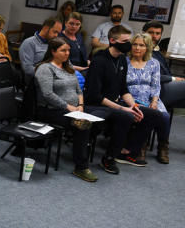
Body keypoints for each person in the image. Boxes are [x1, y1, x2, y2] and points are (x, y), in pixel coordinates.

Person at [84, 25, 163, 174]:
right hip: (97, 105)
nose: (130, 44)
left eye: (129, 40)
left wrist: (134, 106)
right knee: (126, 116)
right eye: (126, 41)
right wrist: (124, 109)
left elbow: (123, 89)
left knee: (155, 115)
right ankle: (108, 158)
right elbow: (95, 96)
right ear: (112, 41)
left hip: (114, 102)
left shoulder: (121, 59)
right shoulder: (99, 60)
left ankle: (126, 151)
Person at [33, 38, 97, 182]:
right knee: (83, 125)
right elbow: (47, 94)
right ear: (53, 51)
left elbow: (79, 90)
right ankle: (81, 167)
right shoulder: (45, 68)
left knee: (96, 118)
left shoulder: (68, 67)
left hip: (74, 109)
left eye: (68, 50)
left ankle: (80, 152)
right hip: (50, 110)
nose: (67, 53)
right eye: (63, 50)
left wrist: (80, 106)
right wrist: (69, 107)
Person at [126, 33, 171, 164]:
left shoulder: (154, 63)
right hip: (131, 98)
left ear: (147, 48)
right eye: (135, 44)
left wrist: (155, 101)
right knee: (145, 115)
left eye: (141, 45)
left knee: (164, 116)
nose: (137, 48)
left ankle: (163, 147)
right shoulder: (124, 61)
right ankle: (141, 146)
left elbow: (156, 85)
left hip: (151, 97)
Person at [143, 20, 185, 120]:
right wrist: (173, 79)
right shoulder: (141, 50)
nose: (154, 36)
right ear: (143, 33)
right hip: (154, 91)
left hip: (164, 86)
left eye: (157, 33)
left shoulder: (156, 50)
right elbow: (148, 76)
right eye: (150, 32)